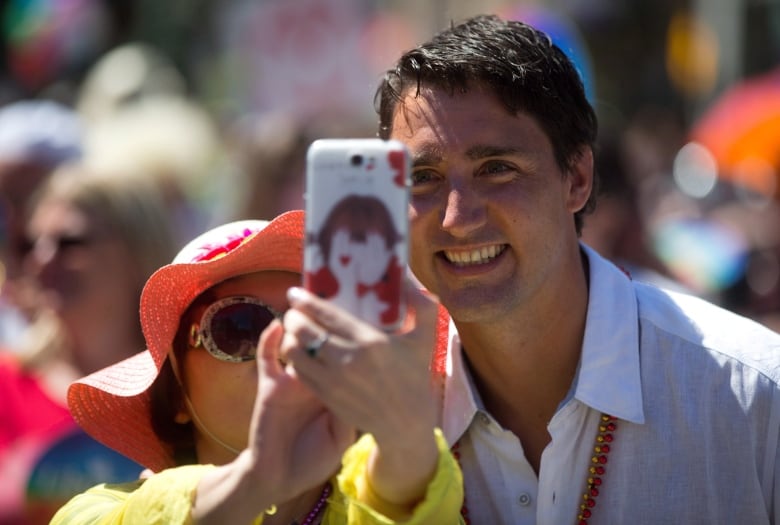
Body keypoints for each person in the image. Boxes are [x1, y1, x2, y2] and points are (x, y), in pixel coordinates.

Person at [281, 14, 780, 525]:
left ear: (577, 178)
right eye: (423, 177)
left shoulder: (753, 395)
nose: (457, 218)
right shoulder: (354, 417)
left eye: (496, 168)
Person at [51, 210, 463, 524]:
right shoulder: (97, 512)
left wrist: (407, 428)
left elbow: (405, 493)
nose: (287, 344)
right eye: (239, 325)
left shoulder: (375, 498)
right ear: (176, 391)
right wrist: (257, 478)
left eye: (316, 323)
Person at [1, 164, 177, 523]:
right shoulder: (7, 383)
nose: (41, 260)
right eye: (31, 244)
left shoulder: (184, 389)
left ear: (136, 251)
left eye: (70, 243)